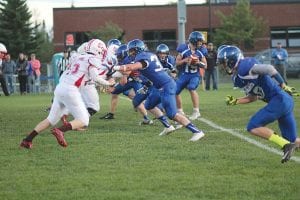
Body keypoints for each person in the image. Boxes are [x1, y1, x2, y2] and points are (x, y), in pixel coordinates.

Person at [20, 39, 115, 149]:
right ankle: (60, 130)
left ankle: (27, 140)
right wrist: (108, 84)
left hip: (60, 88)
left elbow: (82, 76)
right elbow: (95, 77)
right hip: (71, 90)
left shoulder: (77, 57)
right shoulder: (93, 59)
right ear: (99, 50)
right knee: (84, 120)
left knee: (51, 119)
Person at [217, 45, 299, 163]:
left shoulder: (244, 66)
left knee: (253, 126)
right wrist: (236, 101)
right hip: (282, 102)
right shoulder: (238, 77)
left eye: (224, 63)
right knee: (292, 140)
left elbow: (269, 69)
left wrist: (283, 84)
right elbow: (253, 97)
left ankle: (286, 146)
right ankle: (287, 144)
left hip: (279, 99)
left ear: (231, 60)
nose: (223, 66)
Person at [113, 39, 205, 141]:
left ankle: (197, 131)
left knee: (172, 114)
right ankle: (168, 127)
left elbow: (132, 67)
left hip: (166, 86)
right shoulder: (147, 55)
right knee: (148, 105)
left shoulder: (142, 58)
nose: (130, 53)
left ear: (137, 50)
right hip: (158, 86)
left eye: (132, 51)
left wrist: (116, 67)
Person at [175, 31, 207, 120]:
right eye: (199, 41)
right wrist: (185, 60)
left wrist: (198, 62)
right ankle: (180, 111)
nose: (201, 43)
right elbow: (177, 62)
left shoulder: (200, 51)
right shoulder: (183, 49)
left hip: (194, 75)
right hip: (184, 74)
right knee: (175, 91)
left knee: (191, 87)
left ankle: (196, 111)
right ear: (194, 41)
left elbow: (205, 65)